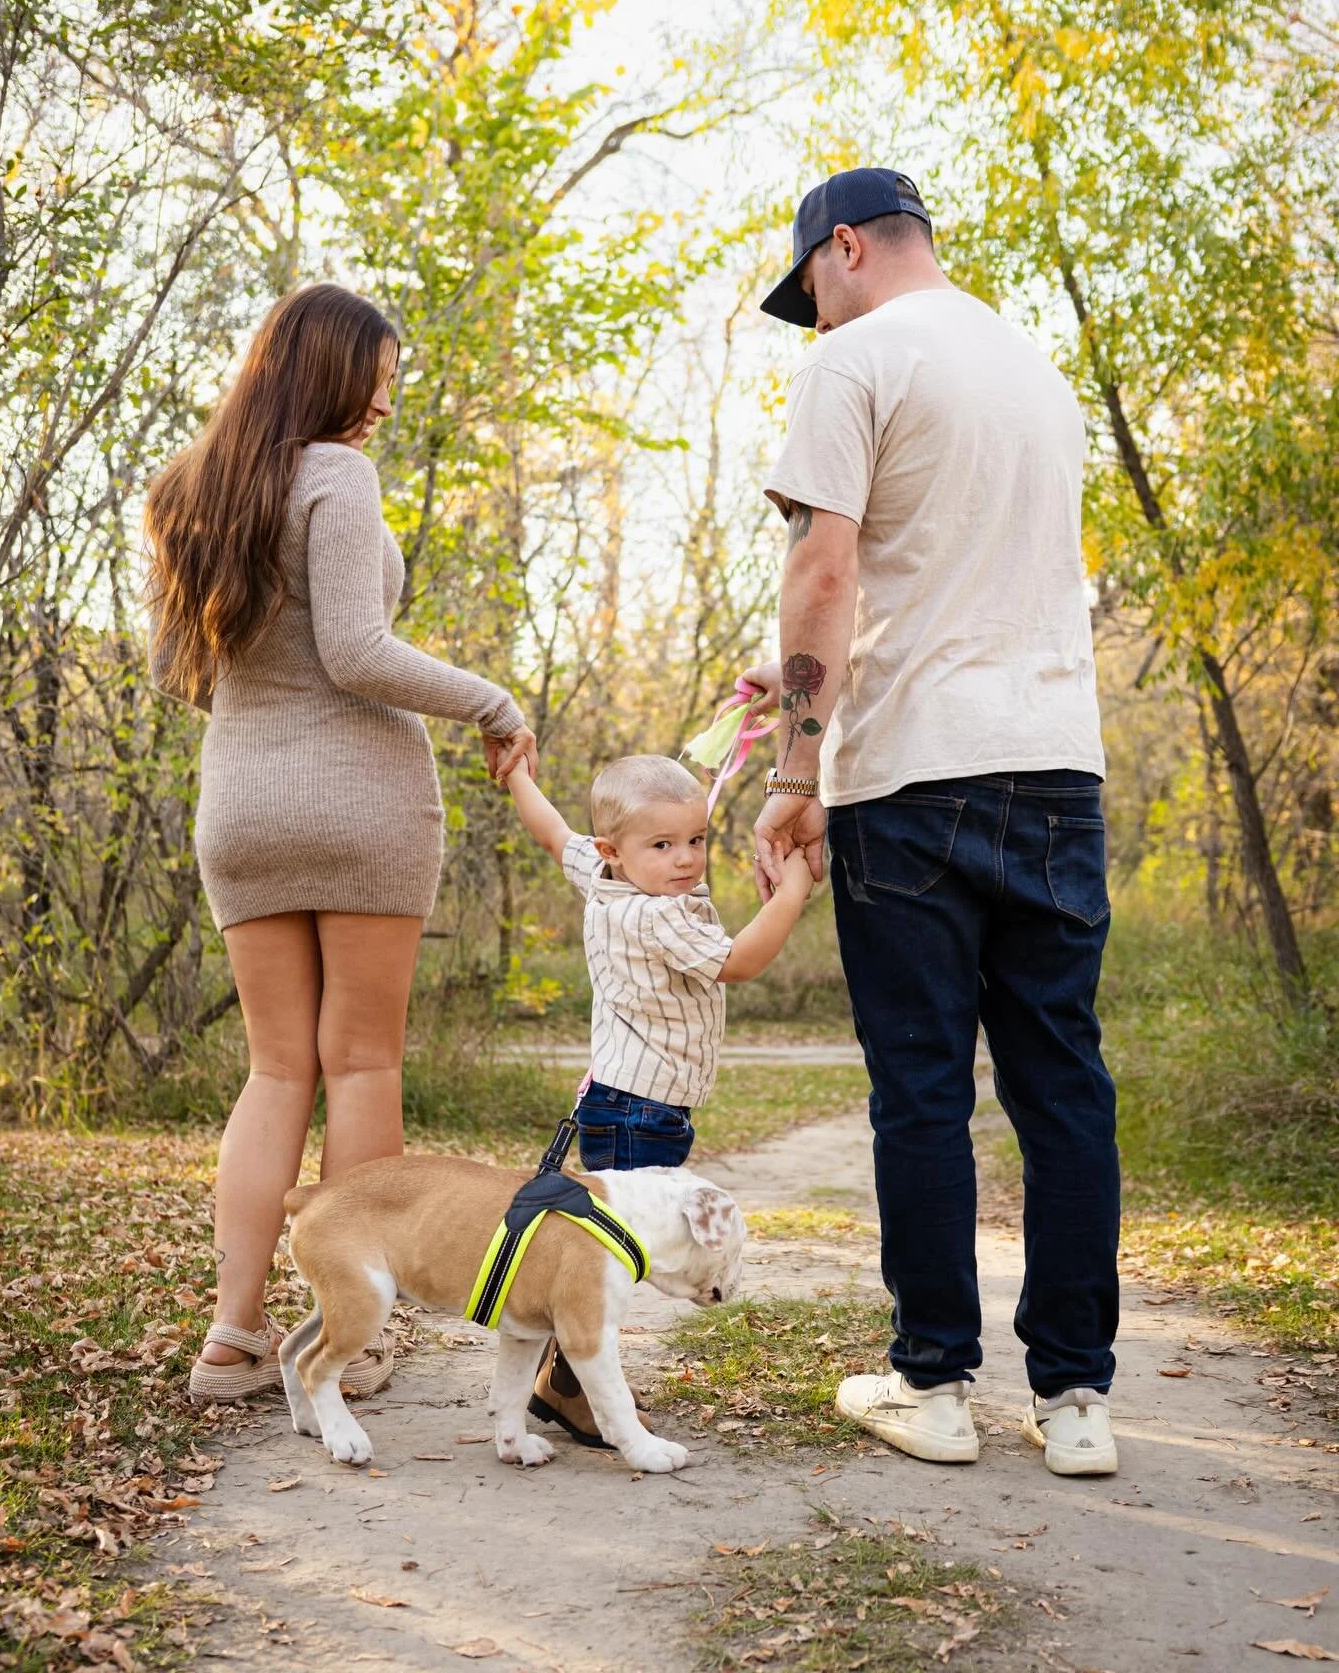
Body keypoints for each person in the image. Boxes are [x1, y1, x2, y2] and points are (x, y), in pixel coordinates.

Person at [744, 167, 1120, 1477]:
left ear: (845, 249)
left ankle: (937, 1387)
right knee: (1062, 1083)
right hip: (1058, 769)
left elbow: (827, 567)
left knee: (920, 1092)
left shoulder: (858, 363)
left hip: (912, 778)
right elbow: (967, 575)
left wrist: (794, 770)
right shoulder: (1034, 370)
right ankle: (1077, 1404)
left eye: (813, 297)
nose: (818, 323)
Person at [145, 283, 536, 1403]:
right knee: (360, 1061)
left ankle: (232, 1337)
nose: (382, 401)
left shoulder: (185, 493)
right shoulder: (337, 478)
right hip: (361, 800)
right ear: (323, 370)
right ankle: (348, 1339)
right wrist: (493, 701)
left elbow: (190, 675)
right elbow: (362, 654)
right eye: (376, 375)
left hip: (243, 805)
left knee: (275, 1070)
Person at [500, 751, 814, 1443]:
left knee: (602, 1248)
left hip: (620, 1101)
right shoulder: (659, 917)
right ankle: (572, 1386)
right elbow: (740, 962)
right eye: (664, 845)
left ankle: (566, 1376)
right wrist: (791, 894)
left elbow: (554, 833)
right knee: (616, 1256)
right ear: (618, 850)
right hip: (645, 1111)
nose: (686, 861)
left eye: (696, 841)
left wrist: (518, 775)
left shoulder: (602, 876)